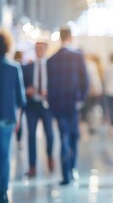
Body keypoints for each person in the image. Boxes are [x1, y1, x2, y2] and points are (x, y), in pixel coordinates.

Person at [47, 26, 89, 185]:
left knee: (63, 136)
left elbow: (49, 85)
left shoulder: (52, 60)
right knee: (73, 136)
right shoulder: (77, 56)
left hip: (58, 105)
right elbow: (85, 80)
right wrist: (81, 99)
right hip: (73, 104)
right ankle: (72, 168)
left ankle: (65, 174)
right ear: (70, 37)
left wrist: (51, 105)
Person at [0, 28, 26, 203]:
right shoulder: (14, 68)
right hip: (7, 118)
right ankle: (2, 192)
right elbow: (21, 99)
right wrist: (18, 119)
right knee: (4, 156)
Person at [22, 39, 54, 177]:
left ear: (45, 49)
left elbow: (56, 85)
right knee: (31, 135)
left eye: (41, 48)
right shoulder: (28, 67)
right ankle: (32, 166)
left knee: (50, 134)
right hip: (32, 105)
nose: (38, 51)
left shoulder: (52, 67)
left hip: (46, 105)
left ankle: (50, 156)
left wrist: (50, 92)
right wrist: (26, 90)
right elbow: (21, 85)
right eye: (36, 48)